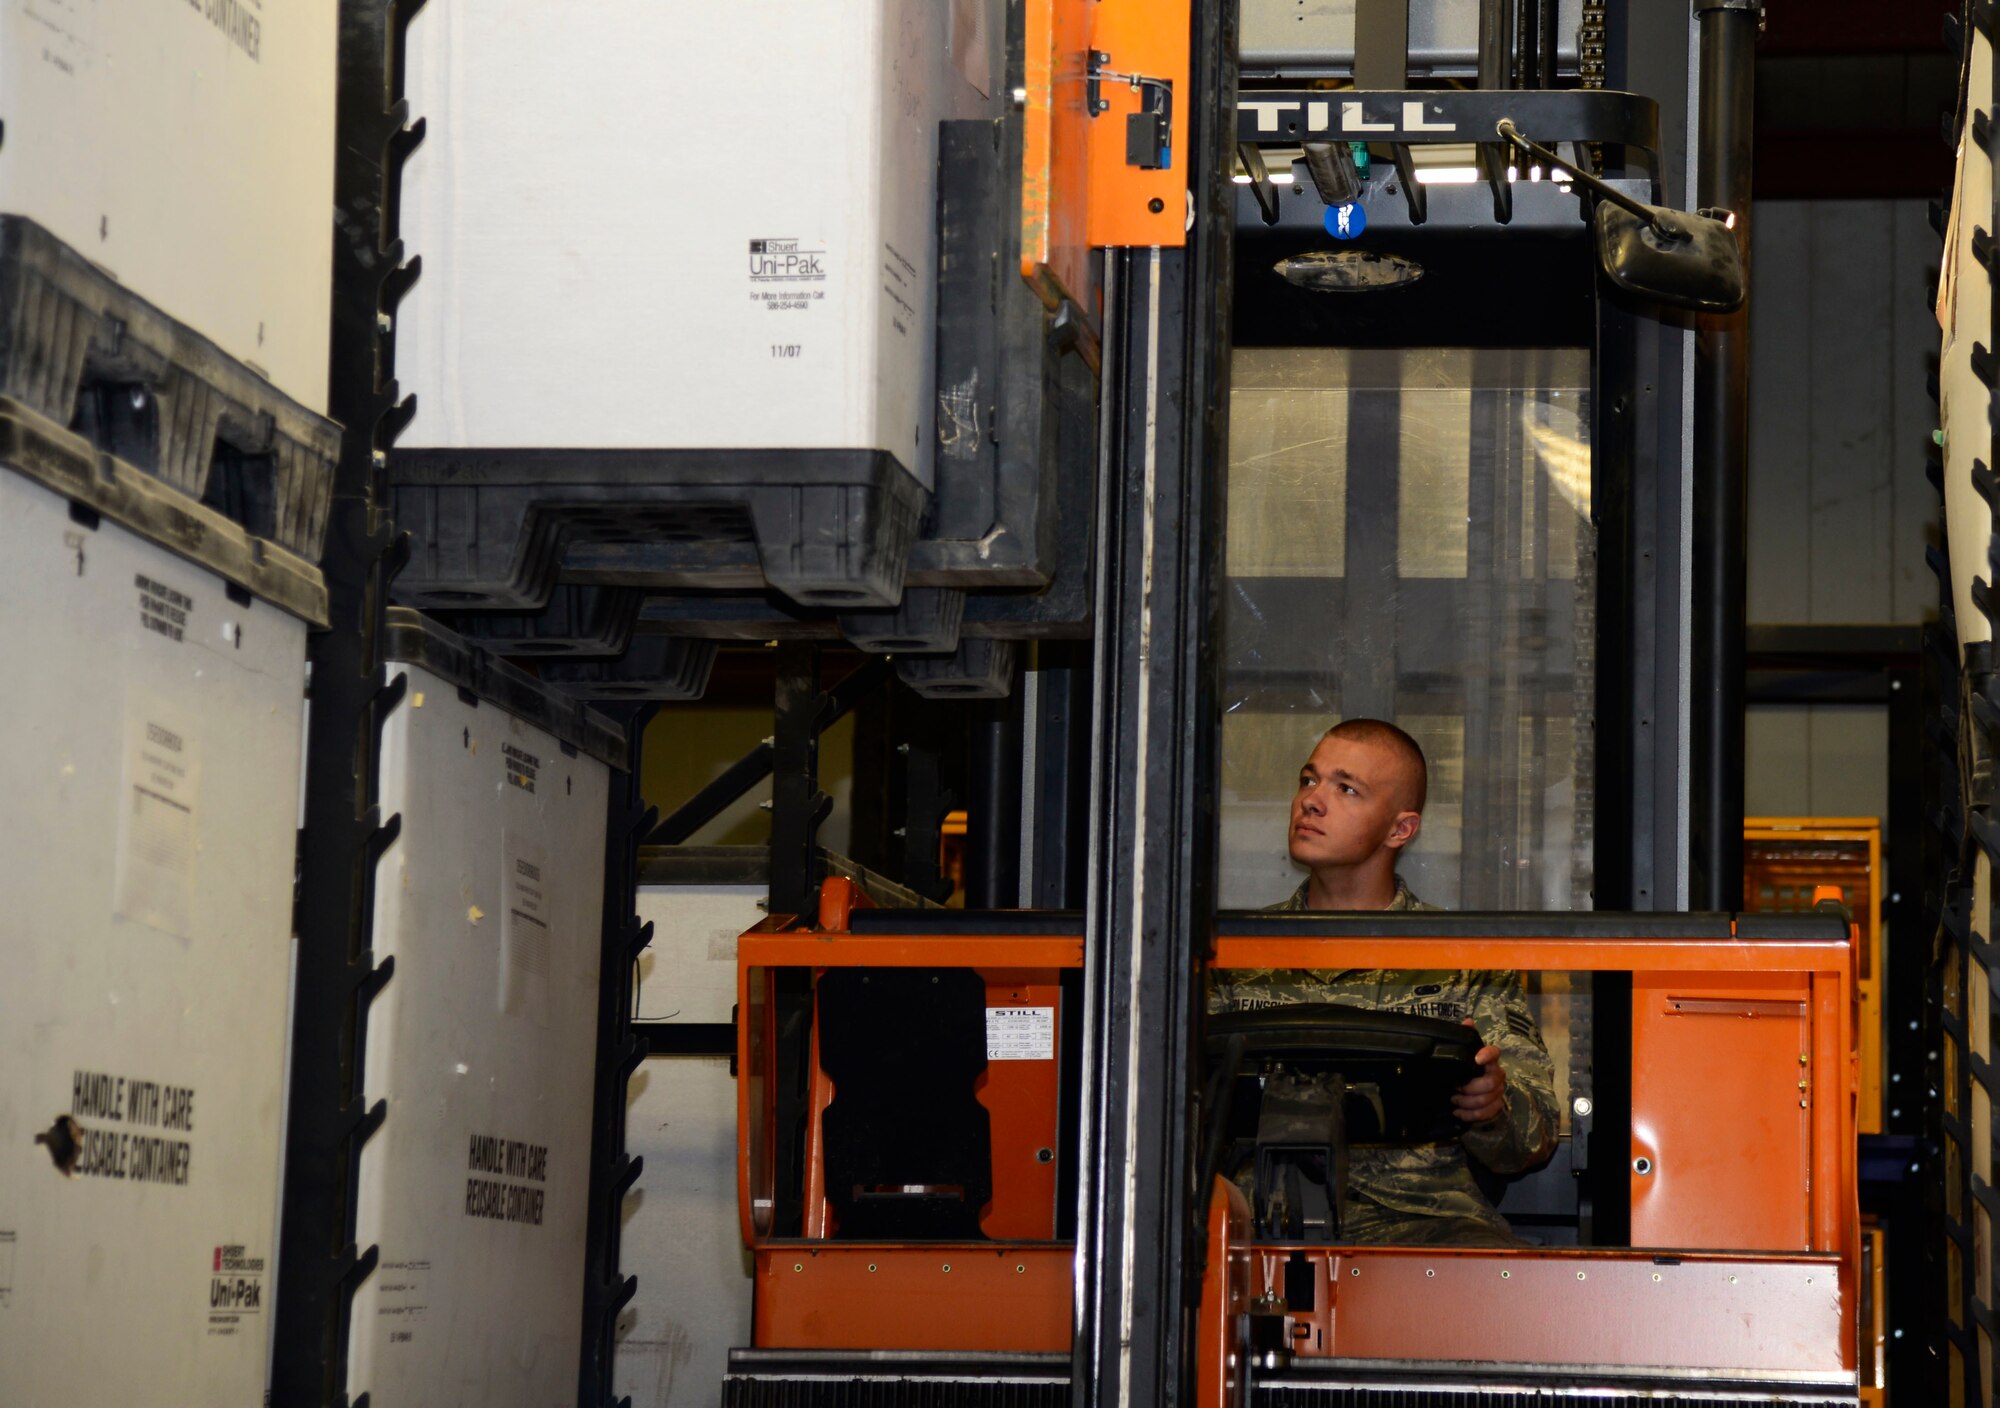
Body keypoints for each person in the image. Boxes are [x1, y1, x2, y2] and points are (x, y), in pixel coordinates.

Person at [1209, 718, 1560, 1246]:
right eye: (1309, 780)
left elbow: (1535, 1139)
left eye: (1345, 788)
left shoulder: (1463, 958)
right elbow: (1167, 1113)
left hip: (1426, 1227)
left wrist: (1493, 1107)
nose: (1312, 801)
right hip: (1255, 1225)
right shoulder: (1233, 952)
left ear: (1400, 829)